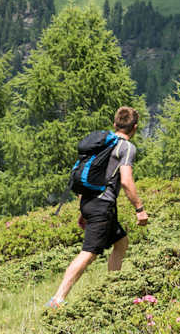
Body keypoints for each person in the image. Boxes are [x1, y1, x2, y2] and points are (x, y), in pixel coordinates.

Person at [47, 106, 149, 309]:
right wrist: (140, 208)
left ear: (115, 124)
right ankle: (57, 300)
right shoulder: (126, 148)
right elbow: (127, 181)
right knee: (89, 252)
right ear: (135, 128)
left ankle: (112, 291)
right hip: (102, 206)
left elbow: (88, 175)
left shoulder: (103, 144)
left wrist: (83, 210)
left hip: (91, 203)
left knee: (121, 242)